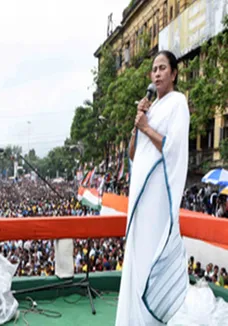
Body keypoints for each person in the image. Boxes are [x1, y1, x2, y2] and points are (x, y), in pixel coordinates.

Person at [116, 50, 190, 325]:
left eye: (162, 68)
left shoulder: (178, 103)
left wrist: (146, 127)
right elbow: (134, 154)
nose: (157, 73)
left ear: (173, 73)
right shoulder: (150, 107)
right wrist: (138, 123)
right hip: (140, 196)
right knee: (137, 254)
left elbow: (173, 146)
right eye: (154, 69)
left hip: (159, 193)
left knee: (151, 256)